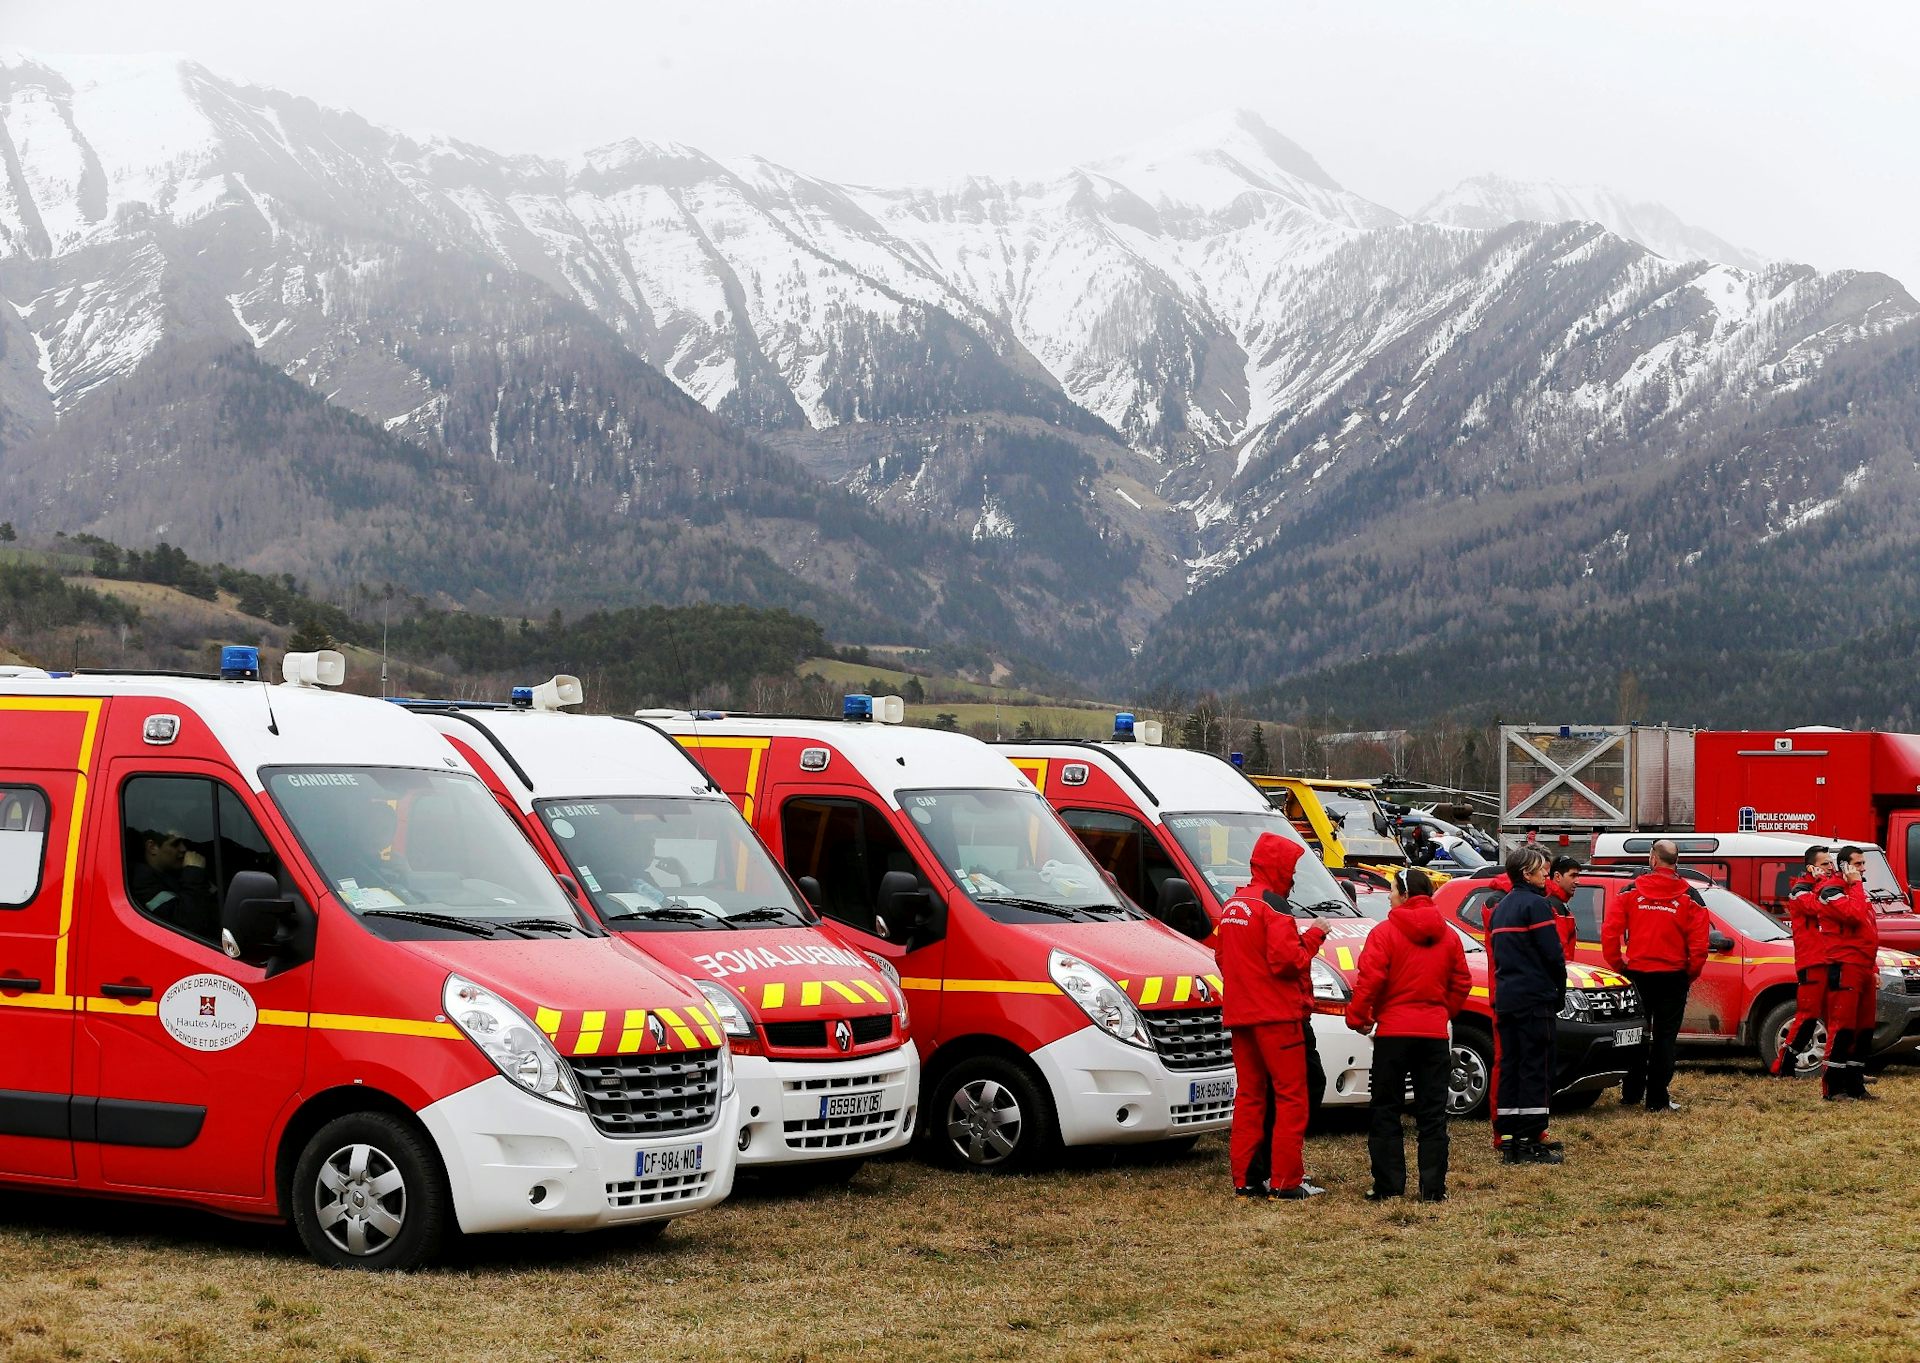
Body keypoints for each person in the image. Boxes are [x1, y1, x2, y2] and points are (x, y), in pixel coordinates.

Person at [1346, 867, 1471, 1202]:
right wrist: (1442, 1012)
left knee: (1386, 1107)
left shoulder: (1384, 932)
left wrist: (1358, 1017)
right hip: (1433, 1034)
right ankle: (1433, 1189)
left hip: (1393, 1033)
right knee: (1432, 1113)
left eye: (1391, 890)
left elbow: (1370, 980)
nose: (1388, 896)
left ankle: (1388, 1185)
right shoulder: (1448, 935)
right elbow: (1461, 983)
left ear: (1402, 893)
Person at [1217, 832, 1328, 1200]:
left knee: (1250, 1097)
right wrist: (1314, 935)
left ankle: (1245, 1178)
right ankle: (1285, 1181)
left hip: (1240, 1014)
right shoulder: (1274, 905)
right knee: (1291, 1097)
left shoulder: (1234, 904)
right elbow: (1288, 962)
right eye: (1292, 869)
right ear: (1280, 867)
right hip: (1276, 1017)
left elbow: (1221, 958)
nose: (1294, 877)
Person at [1601, 838, 1708, 1113]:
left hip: (1637, 973)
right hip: (1673, 976)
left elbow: (1610, 933)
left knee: (1637, 1035)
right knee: (1664, 1038)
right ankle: (1657, 1099)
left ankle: (1631, 1092)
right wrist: (1688, 975)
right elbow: (1699, 946)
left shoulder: (1630, 891)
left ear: (1652, 859)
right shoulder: (1690, 896)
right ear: (1676, 862)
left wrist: (1619, 965)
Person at [1488, 845, 1565, 1164]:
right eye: (1541, 869)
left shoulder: (1501, 908)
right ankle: (1531, 1140)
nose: (1546, 873)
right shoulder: (1537, 906)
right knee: (1536, 1069)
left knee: (1512, 1068)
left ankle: (1510, 1138)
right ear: (1526, 873)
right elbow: (1552, 954)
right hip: (1535, 999)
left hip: (1508, 999)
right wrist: (1558, 989)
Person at [1817, 845, 1880, 1100]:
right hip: (1844, 966)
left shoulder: (1855, 892)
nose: (1862, 870)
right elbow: (1853, 916)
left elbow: (1868, 933)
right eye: (1858, 864)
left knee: (1863, 1029)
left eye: (1863, 864)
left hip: (1862, 967)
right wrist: (1855, 885)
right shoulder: (1831, 891)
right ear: (1844, 866)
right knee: (1842, 1028)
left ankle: (1855, 1085)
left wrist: (1873, 968)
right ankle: (1833, 1088)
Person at [1770, 844, 1836, 1077]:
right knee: (1808, 1015)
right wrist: (1822, 885)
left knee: (1835, 1017)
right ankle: (1785, 1064)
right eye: (1825, 864)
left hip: (1831, 959)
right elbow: (1821, 909)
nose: (1830, 867)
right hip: (1813, 961)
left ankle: (1839, 1068)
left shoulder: (1828, 887)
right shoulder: (1800, 891)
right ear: (1811, 867)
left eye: (1831, 863)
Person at [128, 828, 217, 935]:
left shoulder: (174, 871)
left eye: (183, 842)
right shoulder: (142, 883)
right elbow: (189, 923)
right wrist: (194, 873)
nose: (183, 849)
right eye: (176, 844)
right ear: (152, 847)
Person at [1545, 856, 1582, 955]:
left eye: (1578, 876)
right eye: (1573, 876)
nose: (1577, 881)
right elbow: (1559, 950)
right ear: (1557, 876)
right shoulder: (1553, 905)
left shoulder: (1559, 903)